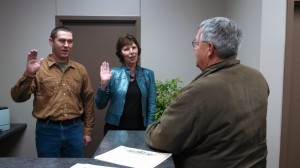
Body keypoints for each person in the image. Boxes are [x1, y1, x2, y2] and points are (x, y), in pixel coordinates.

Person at [145, 17, 269, 168]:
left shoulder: (197, 92)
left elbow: (162, 138)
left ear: (209, 48)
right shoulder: (257, 77)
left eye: (196, 44)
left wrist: (151, 127)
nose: (194, 49)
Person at [11, 26, 95, 158]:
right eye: (62, 40)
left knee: (74, 166)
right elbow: (17, 97)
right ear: (51, 41)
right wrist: (29, 74)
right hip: (47, 131)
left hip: (74, 129)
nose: (66, 45)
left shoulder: (80, 69)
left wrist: (88, 131)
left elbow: (88, 101)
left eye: (70, 41)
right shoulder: (38, 69)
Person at [95, 34, 156, 135]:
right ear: (121, 54)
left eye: (134, 48)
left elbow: (152, 104)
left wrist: (149, 127)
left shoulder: (148, 74)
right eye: (126, 49)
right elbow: (100, 105)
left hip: (141, 129)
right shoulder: (112, 74)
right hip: (115, 128)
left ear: (138, 50)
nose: (131, 52)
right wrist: (103, 84)